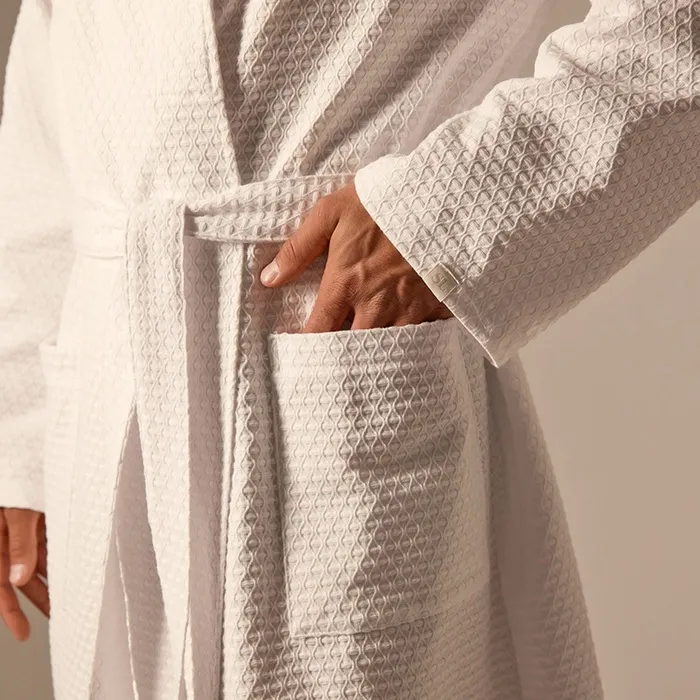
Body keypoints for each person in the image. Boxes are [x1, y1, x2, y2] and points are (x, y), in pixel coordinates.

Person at [0, 0, 697, 697]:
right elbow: (49, 73)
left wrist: (440, 215)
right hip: (109, 371)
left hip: (339, 338)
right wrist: (18, 437)